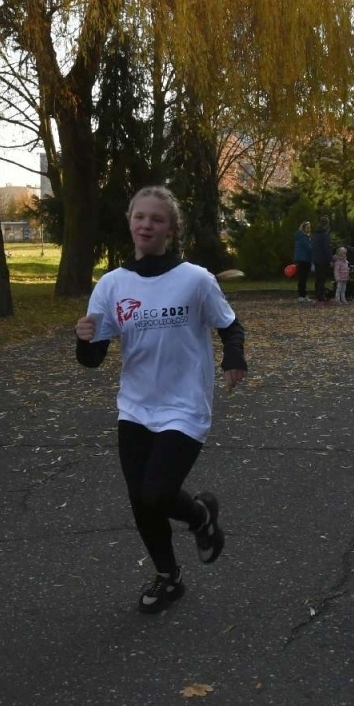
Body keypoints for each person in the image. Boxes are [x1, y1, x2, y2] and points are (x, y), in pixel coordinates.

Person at [74, 185, 246, 614]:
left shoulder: (195, 280)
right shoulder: (112, 284)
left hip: (184, 404)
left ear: (170, 228)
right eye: (140, 217)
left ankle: (200, 516)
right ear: (129, 222)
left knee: (156, 493)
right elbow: (93, 358)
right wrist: (83, 340)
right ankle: (169, 576)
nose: (146, 224)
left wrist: (234, 359)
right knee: (140, 499)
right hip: (135, 405)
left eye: (156, 218)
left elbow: (230, 325)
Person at [311, 215, 333, 303]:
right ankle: (320, 296)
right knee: (322, 278)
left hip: (316, 259)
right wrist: (330, 259)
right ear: (327, 224)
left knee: (318, 278)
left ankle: (318, 294)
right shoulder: (324, 235)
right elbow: (326, 248)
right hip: (323, 259)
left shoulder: (315, 234)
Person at [293, 221, 314, 303]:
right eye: (307, 228)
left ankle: (303, 295)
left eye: (309, 227)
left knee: (303, 278)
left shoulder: (304, 237)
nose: (309, 229)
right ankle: (302, 295)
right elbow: (309, 248)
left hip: (304, 259)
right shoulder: (303, 237)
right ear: (303, 228)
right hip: (303, 259)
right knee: (302, 278)